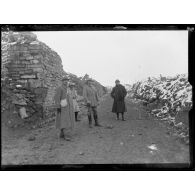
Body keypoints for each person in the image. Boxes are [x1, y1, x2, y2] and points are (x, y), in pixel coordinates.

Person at [54, 76, 75, 141]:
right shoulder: (60, 88)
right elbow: (57, 98)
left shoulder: (68, 89)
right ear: (62, 81)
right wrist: (58, 107)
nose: (66, 81)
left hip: (69, 107)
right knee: (65, 121)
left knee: (65, 120)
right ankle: (67, 136)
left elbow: (71, 97)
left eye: (67, 80)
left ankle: (62, 134)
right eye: (64, 80)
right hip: (63, 107)